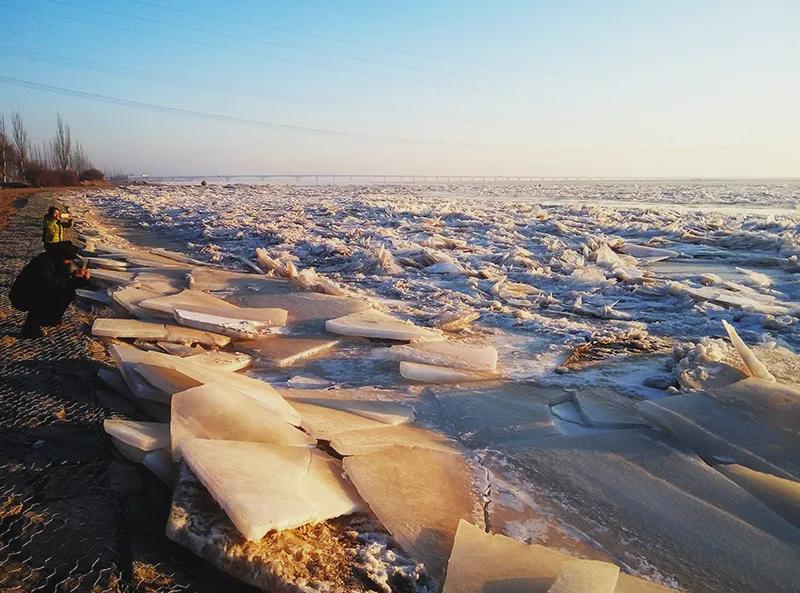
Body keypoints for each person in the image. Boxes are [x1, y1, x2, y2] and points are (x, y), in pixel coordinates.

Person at [9, 241, 91, 338]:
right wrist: (72, 279)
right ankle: (31, 328)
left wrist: (76, 277)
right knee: (54, 296)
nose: (69, 263)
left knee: (65, 292)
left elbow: (61, 281)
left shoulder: (52, 260)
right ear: (61, 257)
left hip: (37, 292)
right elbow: (51, 284)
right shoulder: (43, 264)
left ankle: (47, 319)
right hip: (23, 296)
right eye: (68, 260)